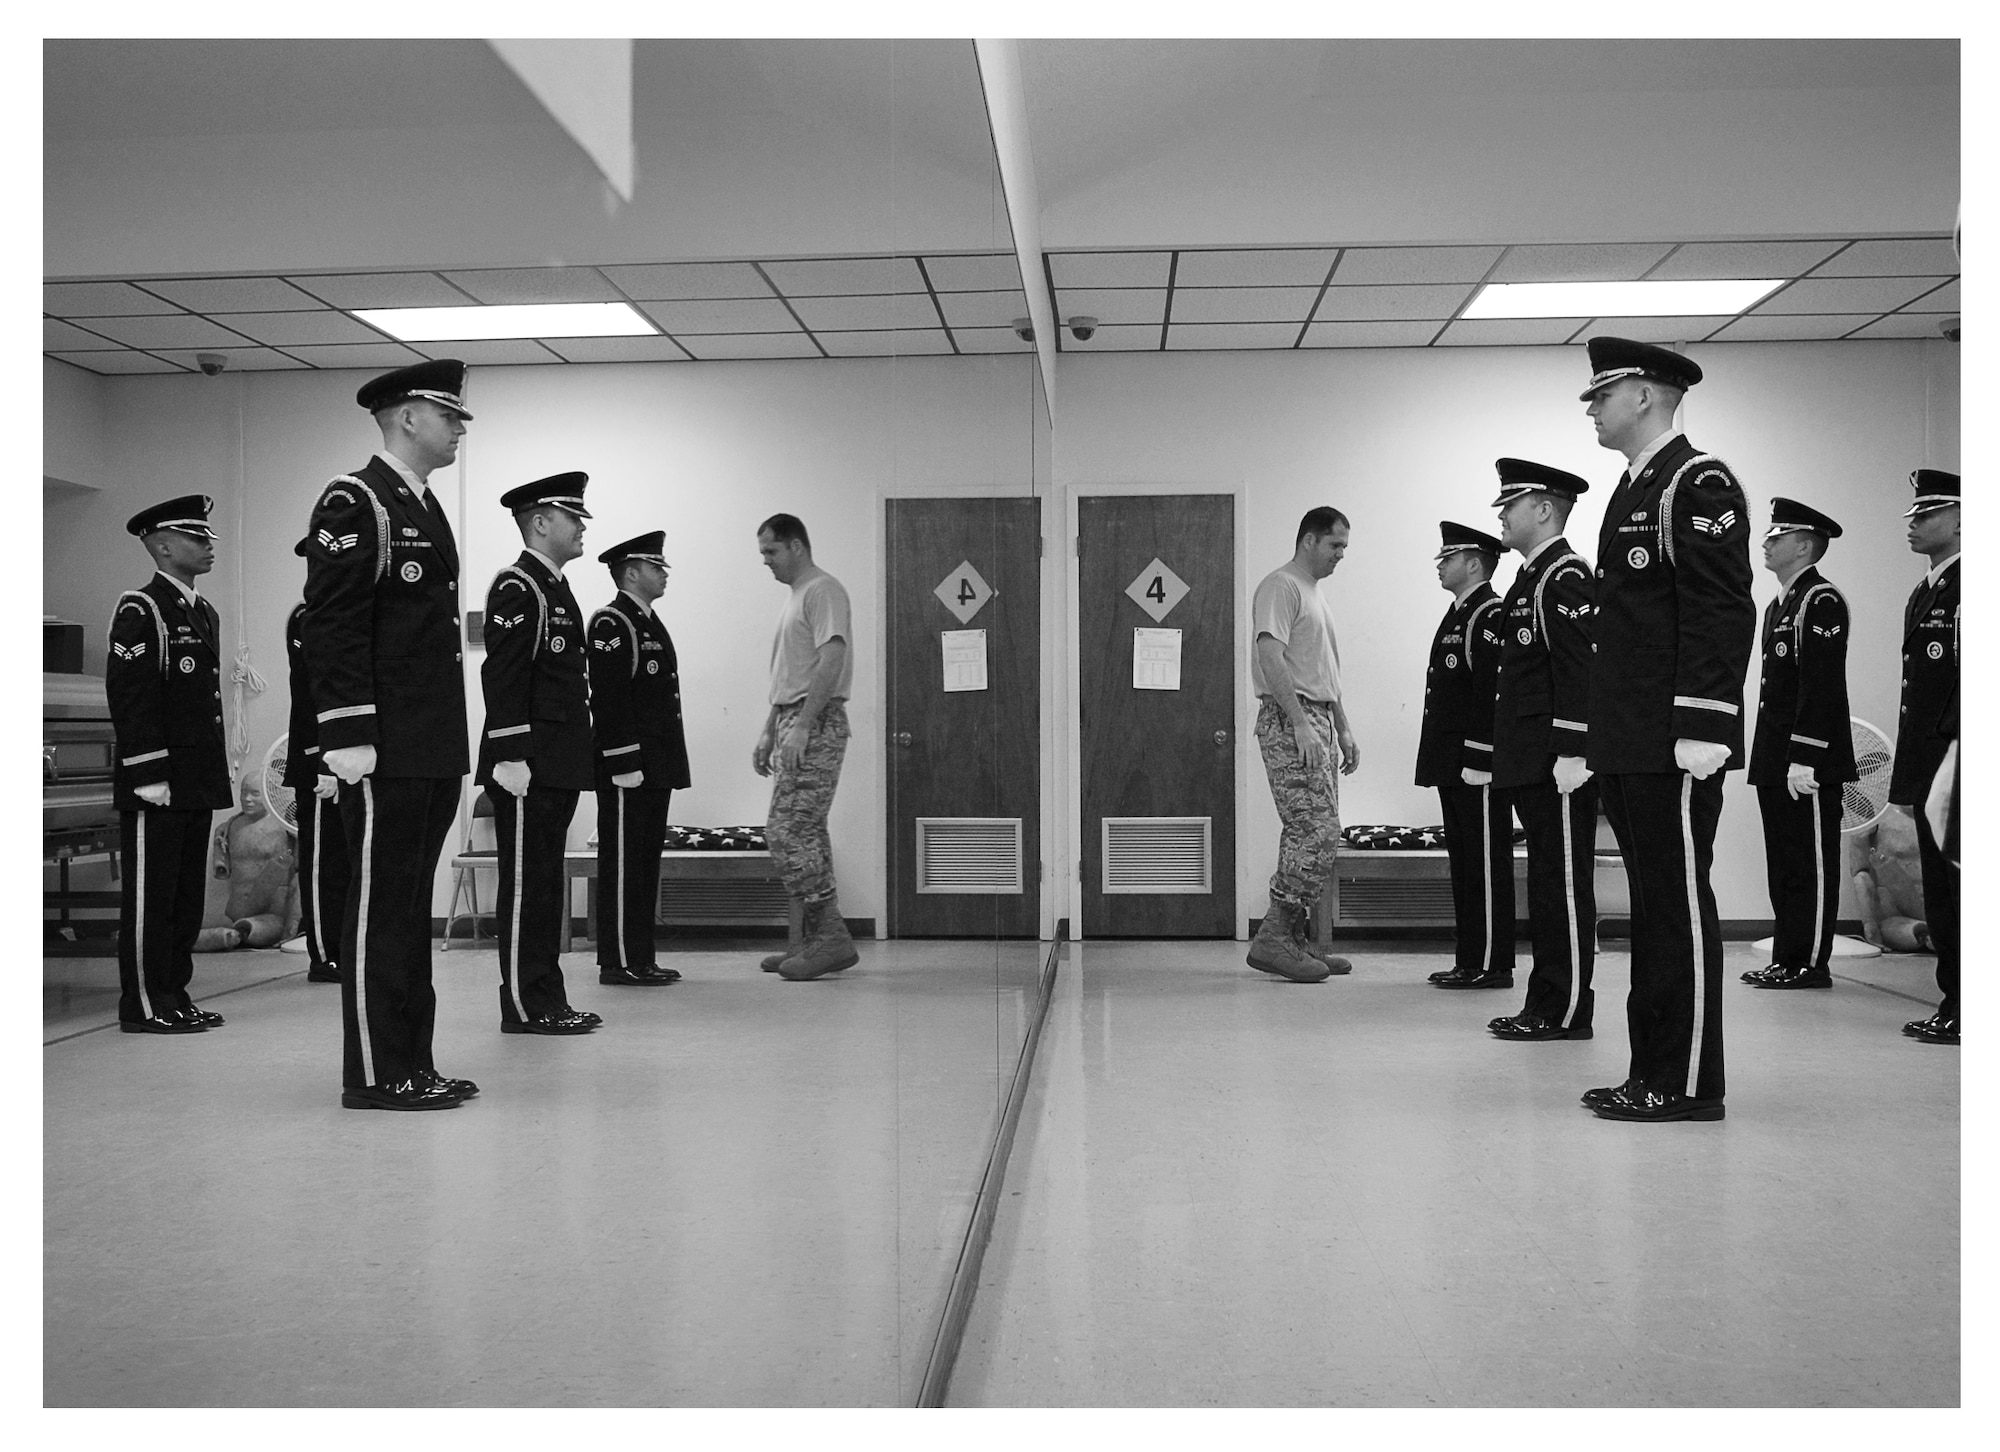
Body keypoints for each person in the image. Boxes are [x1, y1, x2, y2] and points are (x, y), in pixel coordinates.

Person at [1575, 337, 1755, 1122]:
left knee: (1676, 908)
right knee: (1650, 911)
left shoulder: (1697, 482)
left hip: (1672, 741)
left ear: (1645, 394)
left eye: (1602, 393)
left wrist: (1704, 723)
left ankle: (1684, 1082)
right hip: (1630, 738)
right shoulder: (1633, 489)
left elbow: (1721, 609)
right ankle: (1651, 1068)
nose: (1592, 407)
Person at [302, 358, 478, 1111]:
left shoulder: (423, 507)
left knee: (409, 907)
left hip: (429, 743)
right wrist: (346, 731)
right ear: (407, 417)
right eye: (449, 415)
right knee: (380, 909)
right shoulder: (356, 501)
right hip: (382, 747)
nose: (459, 428)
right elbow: (331, 623)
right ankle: (376, 1072)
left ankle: (413, 1060)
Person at [1473, 461, 1599, 1041]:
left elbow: (1581, 669)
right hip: (1529, 760)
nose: (1500, 514)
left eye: (1511, 504)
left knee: (1565, 888)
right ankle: (1545, 1001)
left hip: (1558, 765)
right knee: (1547, 888)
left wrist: (1573, 750)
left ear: (1544, 510)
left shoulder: (1565, 576)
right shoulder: (1531, 578)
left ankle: (1566, 1009)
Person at [106, 494, 234, 1034]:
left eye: (207, 537)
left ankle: (174, 993)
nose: (208, 546)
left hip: (196, 776)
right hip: (157, 778)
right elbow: (131, 695)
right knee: (151, 896)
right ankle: (143, 1001)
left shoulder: (201, 610)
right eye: (195, 538)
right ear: (162, 545)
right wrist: (147, 772)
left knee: (184, 896)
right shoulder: (142, 607)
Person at [478, 474, 600, 1033]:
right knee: (528, 886)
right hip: (527, 766)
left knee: (544, 883)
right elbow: (503, 674)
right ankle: (526, 1005)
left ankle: (547, 997)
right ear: (541, 522)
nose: (581, 528)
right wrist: (510, 754)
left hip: (556, 761)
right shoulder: (518, 586)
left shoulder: (554, 586)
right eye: (573, 518)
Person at [1742, 499, 1856, 992]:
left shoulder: (1820, 599)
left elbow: (1822, 684)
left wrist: (1805, 754)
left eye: (1778, 536)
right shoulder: (1779, 604)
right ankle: (1786, 956)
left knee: (1810, 863)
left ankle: (1809, 962)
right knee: (1784, 863)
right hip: (1775, 755)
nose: (1766, 543)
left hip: (1806, 759)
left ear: (1805, 545)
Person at [1247, 506, 1359, 983]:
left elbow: (1323, 673)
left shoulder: (1315, 595)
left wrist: (1343, 726)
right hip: (1291, 718)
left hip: (1318, 719)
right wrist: (1298, 722)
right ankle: (1274, 936)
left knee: (1323, 831)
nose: (1340, 556)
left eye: (1344, 549)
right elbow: (1269, 654)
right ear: (1309, 540)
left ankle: (1293, 938)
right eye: (1335, 546)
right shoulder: (1282, 585)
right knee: (1310, 828)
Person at [754, 514, 860, 980]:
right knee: (807, 831)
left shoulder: (822, 590)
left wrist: (803, 727)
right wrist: (770, 727)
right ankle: (812, 940)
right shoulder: (796, 597)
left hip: (814, 721)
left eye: (771, 552)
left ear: (796, 545)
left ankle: (830, 937)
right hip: (793, 718)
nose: (767, 562)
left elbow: (831, 657)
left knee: (788, 831)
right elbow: (791, 675)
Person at [588, 530, 692, 987]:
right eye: (656, 567)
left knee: (645, 861)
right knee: (624, 863)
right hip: (629, 766)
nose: (664, 573)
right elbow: (609, 700)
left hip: (654, 763)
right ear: (631, 572)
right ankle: (620, 961)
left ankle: (640, 956)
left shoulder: (647, 620)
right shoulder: (613, 621)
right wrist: (624, 761)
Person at [1413, 520, 1514, 991]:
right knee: (1466, 862)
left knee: (1486, 865)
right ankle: (1470, 957)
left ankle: (1492, 963)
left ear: (1474, 563)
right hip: (1454, 763)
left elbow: (1489, 694)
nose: (1440, 565)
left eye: (1448, 558)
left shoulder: (1488, 614)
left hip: (1476, 765)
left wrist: (1480, 757)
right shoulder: (1460, 612)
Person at [1891, 469, 1959, 1044]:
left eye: (1928, 513)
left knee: (1959, 885)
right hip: (1931, 759)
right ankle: (1954, 998)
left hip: (1960, 758)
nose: (1914, 523)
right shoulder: (1927, 590)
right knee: (1940, 887)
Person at [286, 538, 346, 985]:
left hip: (353, 759)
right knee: (324, 862)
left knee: (346, 860)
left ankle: (346, 947)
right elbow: (312, 695)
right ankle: (324, 954)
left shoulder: (347, 611)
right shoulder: (309, 617)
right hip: (322, 759)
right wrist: (321, 761)